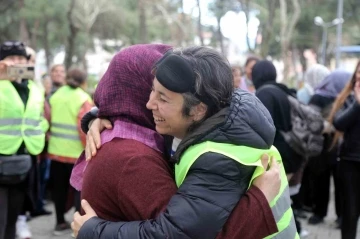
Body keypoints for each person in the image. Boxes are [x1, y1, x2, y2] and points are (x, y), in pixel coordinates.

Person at [72, 45, 297, 239]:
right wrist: (98, 116)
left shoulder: (212, 155)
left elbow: (180, 234)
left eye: (162, 97)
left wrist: (95, 231)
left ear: (199, 110)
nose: (149, 103)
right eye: (150, 90)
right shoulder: (207, 124)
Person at [252, 60, 307, 236]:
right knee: (285, 197)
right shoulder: (281, 90)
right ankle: (298, 228)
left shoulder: (263, 94)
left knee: (278, 200)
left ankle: (295, 228)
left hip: (280, 153)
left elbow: (264, 127)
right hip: (293, 150)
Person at [0, 41, 48, 239]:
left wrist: (38, 134)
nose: (17, 63)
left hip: (25, 159)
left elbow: (39, 119)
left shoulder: (35, 89)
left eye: (21, 59)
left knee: (14, 215)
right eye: (12, 59)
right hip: (2, 156)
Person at [47, 68, 93, 235]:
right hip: (76, 155)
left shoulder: (55, 96)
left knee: (58, 190)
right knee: (77, 189)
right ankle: (77, 224)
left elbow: (47, 118)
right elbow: (85, 128)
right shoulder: (83, 98)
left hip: (55, 152)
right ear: (83, 82)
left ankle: (59, 223)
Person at [305, 70, 351, 227]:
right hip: (321, 145)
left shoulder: (350, 97)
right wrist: (331, 126)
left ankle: (342, 216)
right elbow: (310, 119)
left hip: (341, 145)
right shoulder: (319, 97)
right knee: (320, 179)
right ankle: (319, 213)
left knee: (342, 182)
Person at [328, 61, 360, 239]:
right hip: (350, 162)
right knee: (350, 214)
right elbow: (338, 123)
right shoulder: (348, 97)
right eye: (358, 72)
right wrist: (357, 104)